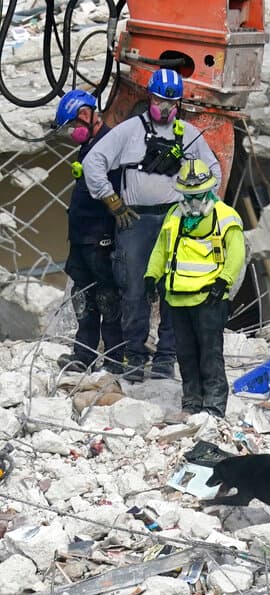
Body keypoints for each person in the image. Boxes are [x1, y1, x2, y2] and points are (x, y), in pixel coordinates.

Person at [84, 68, 221, 382]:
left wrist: (201, 205)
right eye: (161, 99)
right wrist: (111, 200)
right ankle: (134, 356)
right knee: (133, 289)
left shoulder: (187, 135)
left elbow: (213, 169)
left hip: (176, 220)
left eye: (172, 101)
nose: (166, 107)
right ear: (150, 97)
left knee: (173, 287)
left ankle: (166, 357)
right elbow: (94, 161)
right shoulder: (129, 131)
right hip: (135, 220)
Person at [144, 160, 244, 418]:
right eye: (188, 195)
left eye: (197, 194)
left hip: (209, 298)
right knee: (186, 355)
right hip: (177, 298)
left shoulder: (225, 216)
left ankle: (213, 406)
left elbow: (236, 253)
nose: (193, 200)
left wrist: (224, 281)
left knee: (210, 354)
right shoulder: (175, 216)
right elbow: (160, 248)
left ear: (209, 190)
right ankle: (191, 403)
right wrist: (151, 276)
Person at [52, 90, 124, 374]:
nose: (72, 132)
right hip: (82, 237)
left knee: (107, 297)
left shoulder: (111, 145)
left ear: (85, 115)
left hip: (100, 237)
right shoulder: (90, 146)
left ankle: (116, 359)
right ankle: (84, 355)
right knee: (83, 297)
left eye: (72, 126)